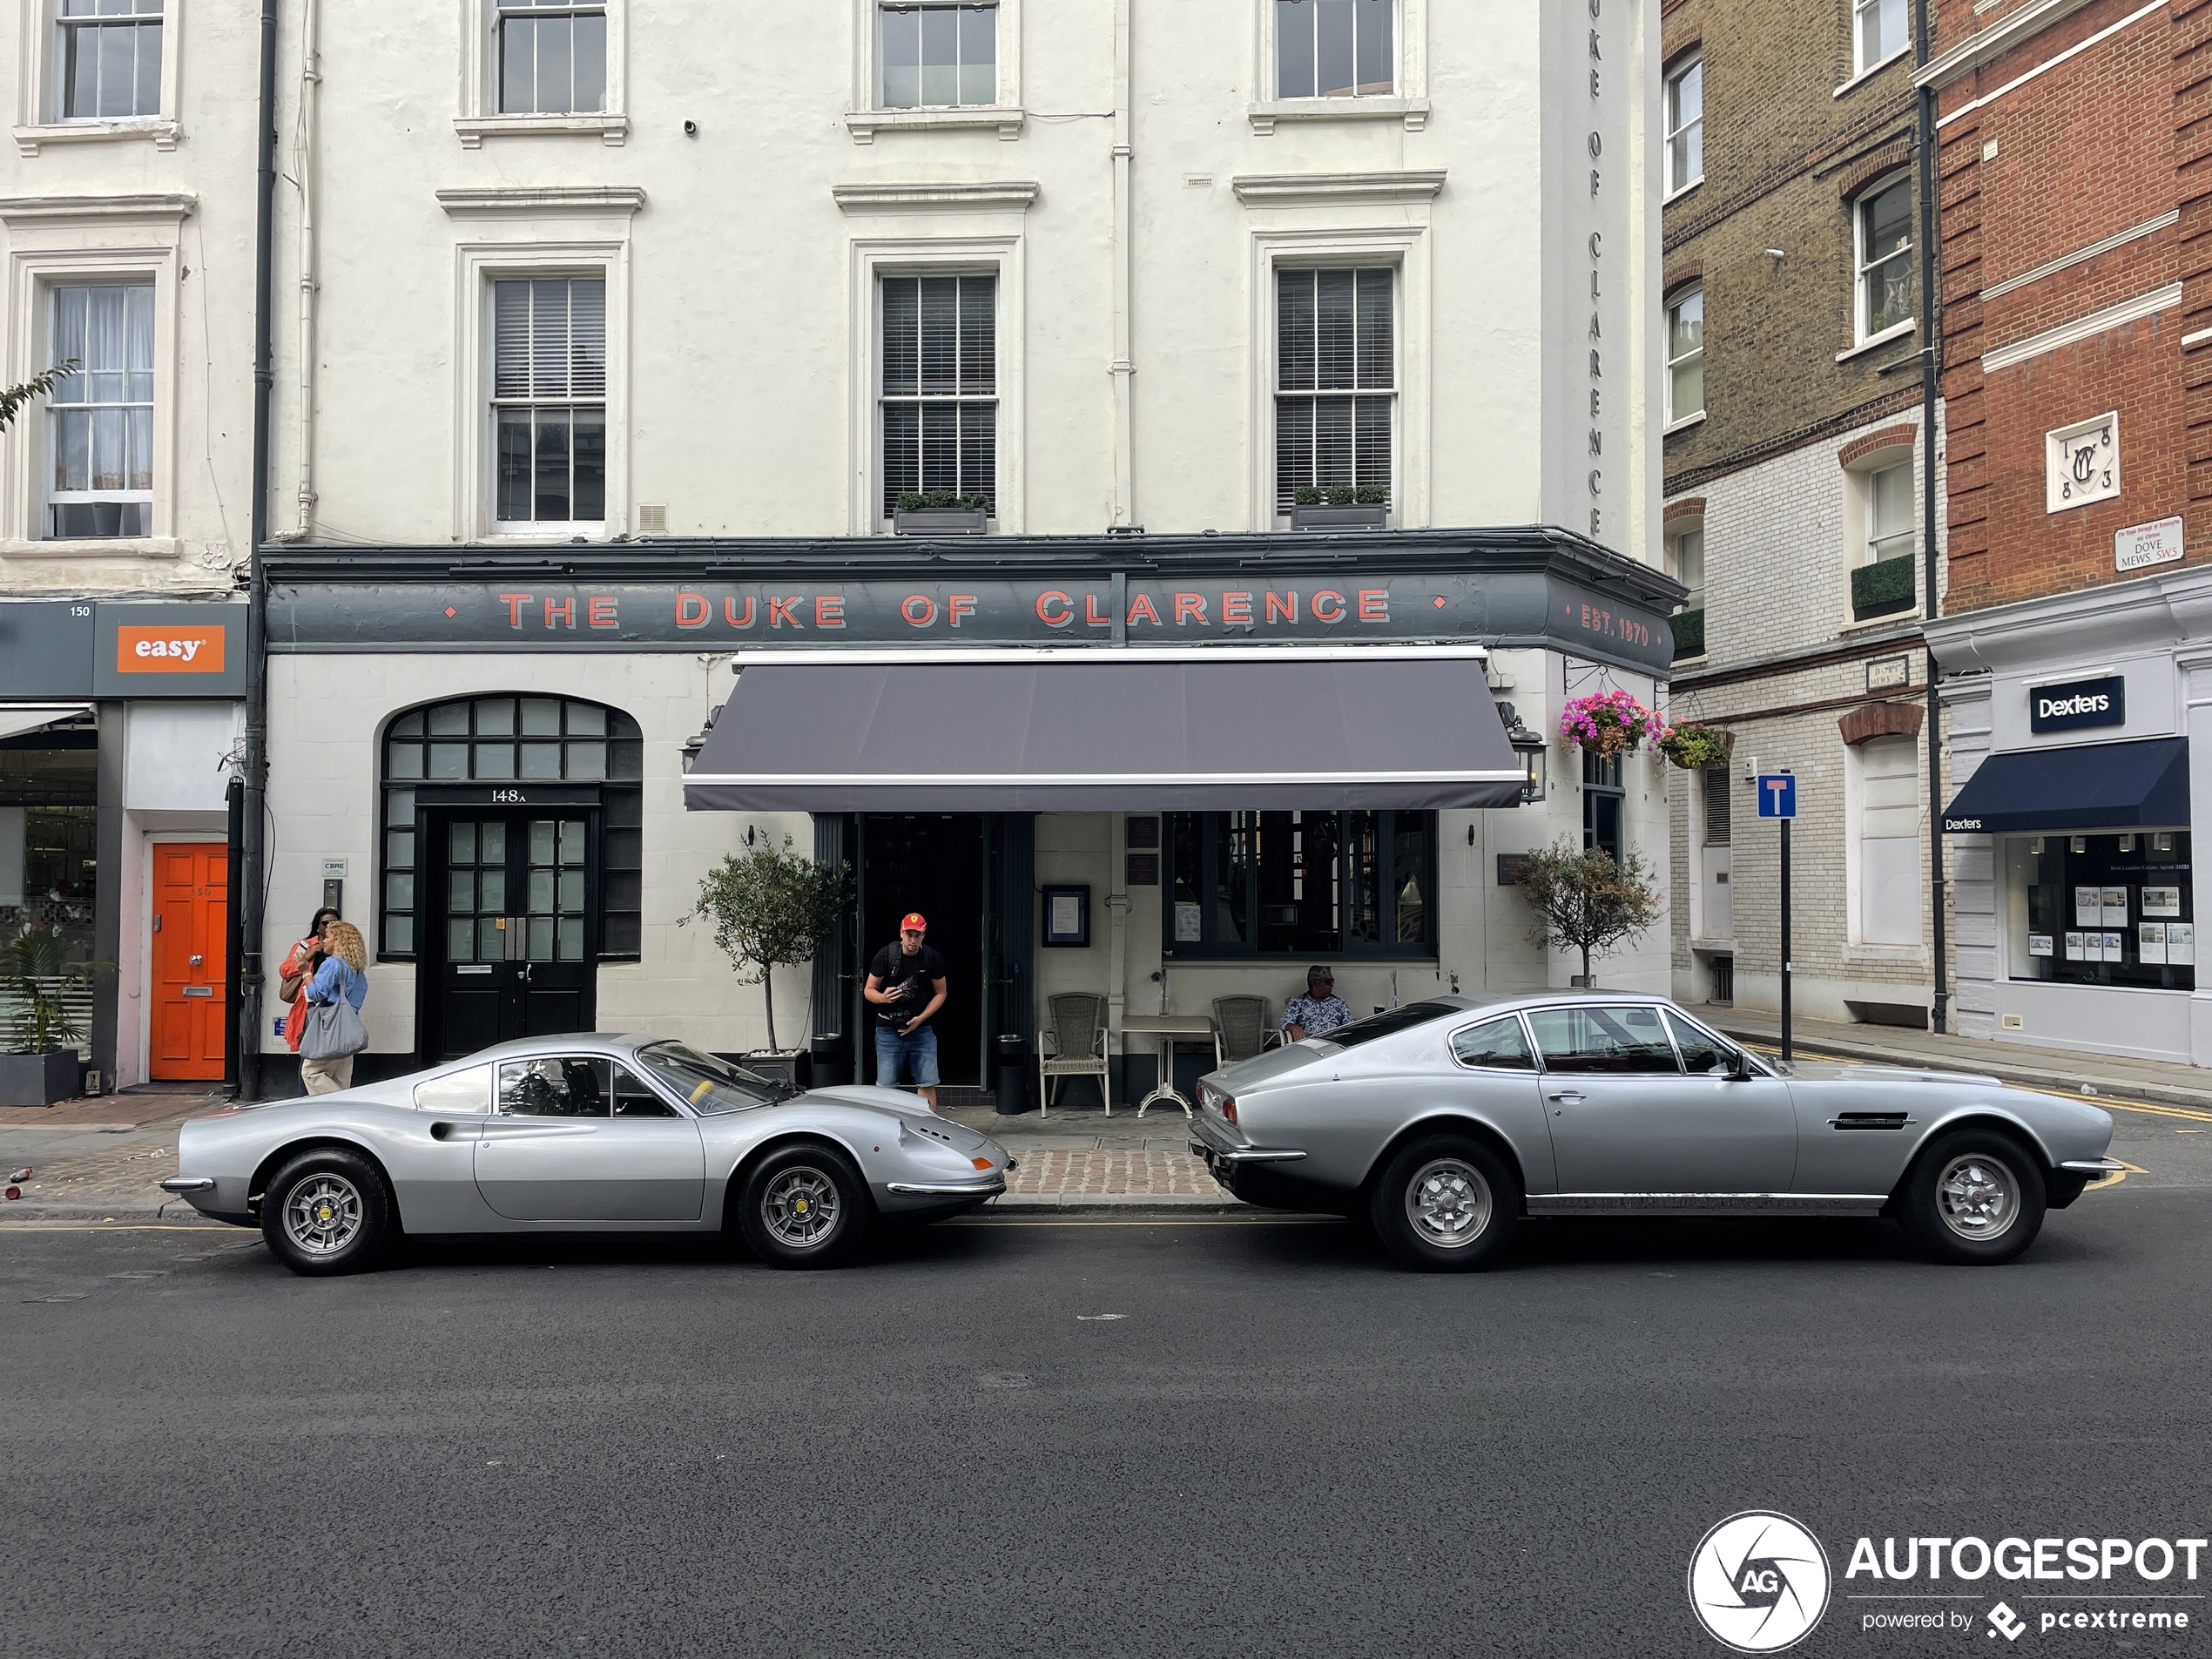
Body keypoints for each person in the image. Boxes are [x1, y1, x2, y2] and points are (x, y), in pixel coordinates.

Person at [865, 912, 948, 1109]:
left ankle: (928, 1127)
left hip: (920, 1028)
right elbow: (868, 990)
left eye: (917, 935)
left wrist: (921, 1018)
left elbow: (941, 993)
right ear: (901, 933)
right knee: (886, 1086)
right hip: (888, 1028)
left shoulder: (931, 957)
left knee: (927, 1082)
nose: (913, 940)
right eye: (909, 934)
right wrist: (884, 998)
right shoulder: (886, 955)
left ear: (923, 935)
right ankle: (886, 1131)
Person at [300, 920, 369, 1095]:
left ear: (339, 940)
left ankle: (346, 1105)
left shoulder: (332, 964)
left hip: (329, 1028)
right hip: (347, 1028)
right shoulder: (357, 969)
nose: (323, 941)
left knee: (310, 1072)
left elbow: (316, 993)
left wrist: (305, 972)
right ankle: (339, 1114)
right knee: (339, 1080)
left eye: (327, 937)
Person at [278, 907, 340, 1093]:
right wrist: (308, 956)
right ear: (317, 925)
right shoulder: (306, 945)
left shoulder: (340, 947)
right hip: (309, 1005)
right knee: (308, 1055)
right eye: (324, 923)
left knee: (327, 1058)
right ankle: (303, 1098)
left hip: (332, 1007)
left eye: (332, 922)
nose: (328, 926)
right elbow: (285, 970)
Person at [1281, 967, 1353, 1042]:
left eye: (1333, 981)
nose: (1332, 984)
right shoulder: (1298, 1001)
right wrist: (1293, 1027)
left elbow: (1350, 1026)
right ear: (1315, 983)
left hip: (1332, 1046)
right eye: (1328, 981)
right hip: (1306, 1046)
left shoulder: (1339, 1002)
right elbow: (1284, 1021)